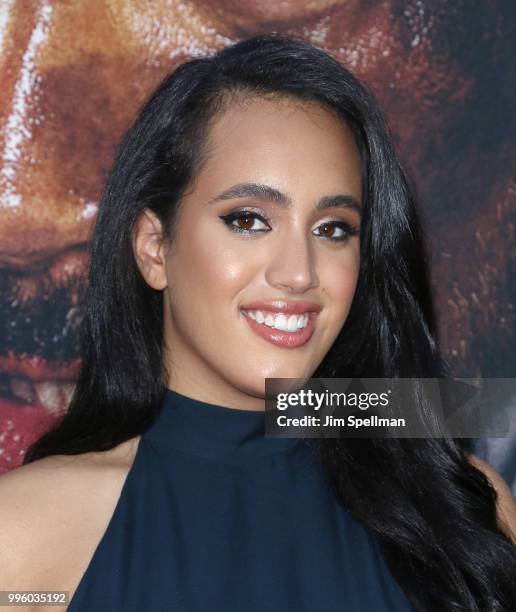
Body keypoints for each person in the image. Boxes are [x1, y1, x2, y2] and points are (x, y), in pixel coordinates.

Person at [0, 34, 515, 612]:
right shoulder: (22, 539)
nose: (299, 274)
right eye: (247, 220)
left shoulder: (460, 509)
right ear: (153, 248)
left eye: (333, 229)